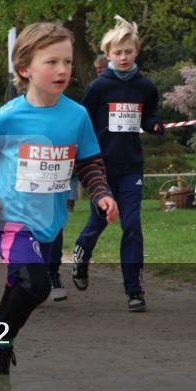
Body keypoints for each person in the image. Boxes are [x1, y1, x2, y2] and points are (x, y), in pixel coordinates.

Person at [0, 22, 118, 391]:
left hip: (49, 222)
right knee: (34, 284)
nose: (62, 69)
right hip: (9, 217)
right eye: (51, 61)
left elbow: (89, 161)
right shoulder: (8, 116)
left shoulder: (77, 115)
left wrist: (100, 193)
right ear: (25, 69)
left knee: (18, 291)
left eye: (67, 61)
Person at [72, 16, 164, 312]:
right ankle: (82, 255)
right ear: (108, 54)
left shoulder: (145, 87)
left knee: (133, 225)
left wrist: (155, 125)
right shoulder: (99, 88)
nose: (123, 57)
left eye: (128, 52)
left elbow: (148, 117)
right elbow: (83, 122)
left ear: (136, 52)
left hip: (131, 167)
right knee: (97, 223)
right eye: (117, 52)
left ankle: (134, 290)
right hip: (100, 167)